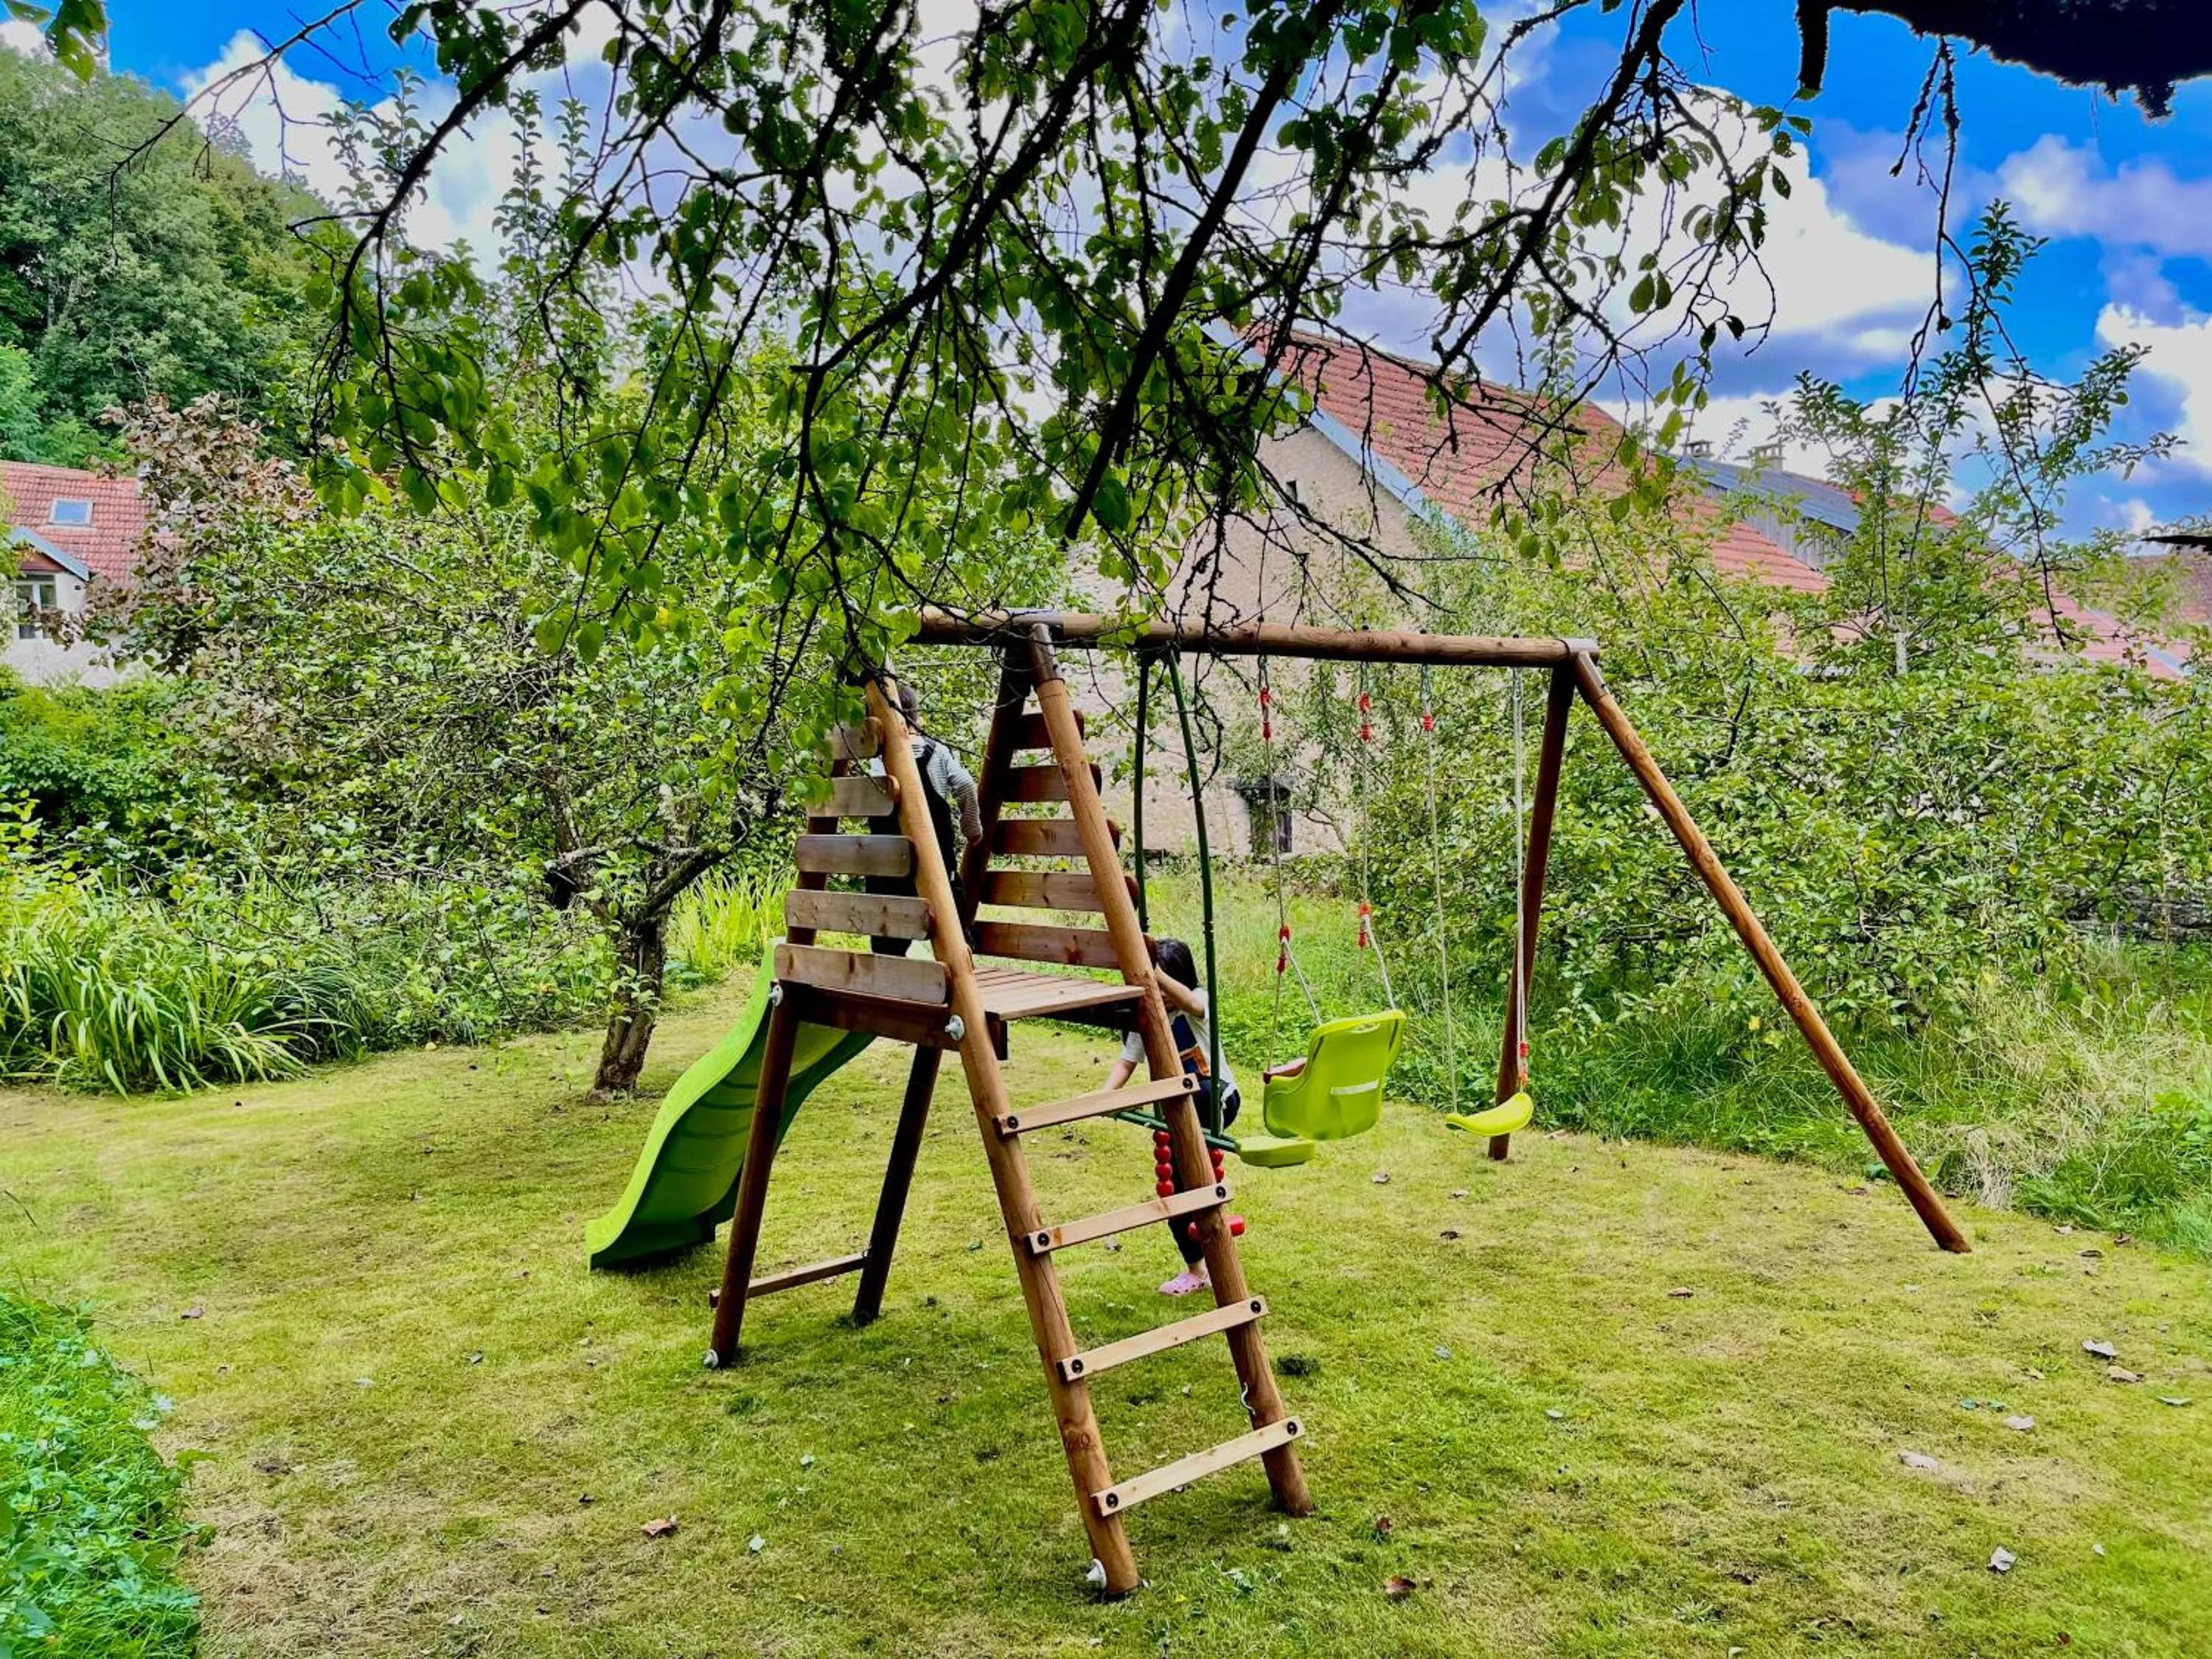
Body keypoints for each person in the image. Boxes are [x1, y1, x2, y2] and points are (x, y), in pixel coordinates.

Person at [1098, 936, 1241, 1297]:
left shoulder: (1200, 1003)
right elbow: (1126, 1063)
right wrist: (1104, 1098)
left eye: (1161, 985)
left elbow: (1191, 1002)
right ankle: (1196, 1270)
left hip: (1216, 1099)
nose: (1157, 994)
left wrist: (1156, 973)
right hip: (1177, 1112)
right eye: (1149, 986)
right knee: (1176, 1192)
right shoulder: (1145, 1021)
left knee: (1198, 1096)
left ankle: (1211, 1251)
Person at [865, 682, 983, 955]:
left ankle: (887, 965)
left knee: (887, 927)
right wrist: (972, 828)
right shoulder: (936, 752)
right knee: (951, 905)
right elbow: (965, 784)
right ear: (917, 718)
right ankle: (962, 952)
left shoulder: (876, 761)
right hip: (935, 859)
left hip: (888, 865)